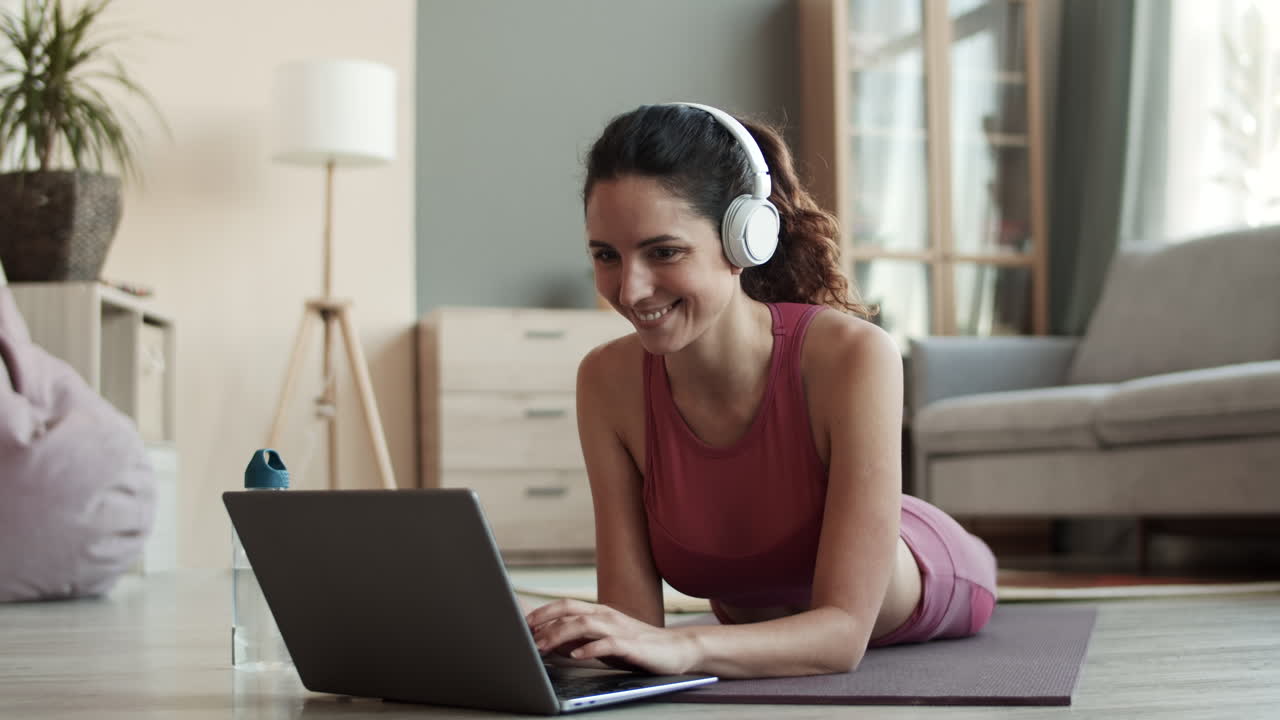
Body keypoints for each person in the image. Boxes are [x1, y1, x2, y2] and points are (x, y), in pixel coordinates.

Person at [524, 103, 997, 679]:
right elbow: (632, 625)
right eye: (606, 255)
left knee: (951, 563)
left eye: (664, 251)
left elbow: (842, 636)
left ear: (745, 239)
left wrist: (686, 647)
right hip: (766, 620)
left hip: (932, 566)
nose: (631, 290)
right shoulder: (605, 381)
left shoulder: (853, 355)